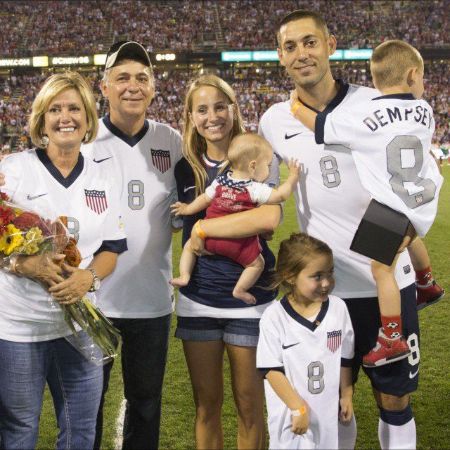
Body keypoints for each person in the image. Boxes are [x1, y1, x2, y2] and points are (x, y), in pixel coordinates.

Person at [257, 10, 420, 449]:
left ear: (330, 45)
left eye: (310, 42)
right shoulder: (273, 121)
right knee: (329, 401)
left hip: (386, 285)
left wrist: (398, 240)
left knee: (394, 398)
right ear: (280, 56)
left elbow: (412, 184)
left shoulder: (375, 104)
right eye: (290, 46)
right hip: (325, 293)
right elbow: (270, 195)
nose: (301, 53)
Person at [289, 39, 444, 367]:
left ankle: (391, 337)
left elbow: (322, 126)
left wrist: (295, 107)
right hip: (420, 198)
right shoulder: (425, 111)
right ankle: (426, 282)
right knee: (408, 238)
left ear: (374, 81)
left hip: (392, 204)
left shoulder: (368, 113)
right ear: (413, 74)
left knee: (380, 268)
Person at [0, 72, 126, 449]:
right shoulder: (14, 168)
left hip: (79, 325)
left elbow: (112, 248)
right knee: (19, 430)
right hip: (19, 326)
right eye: (54, 109)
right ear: (41, 119)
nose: (65, 117)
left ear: (88, 119)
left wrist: (87, 278)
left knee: (80, 431)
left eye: (74, 108)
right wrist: (26, 265)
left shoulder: (105, 175)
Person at [82, 41, 182, 450]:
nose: (132, 86)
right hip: (91, 302)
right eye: (121, 77)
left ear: (154, 88)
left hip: (152, 300)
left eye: (142, 78)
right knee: (87, 404)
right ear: (103, 87)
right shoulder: (84, 139)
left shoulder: (171, 140)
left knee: (145, 404)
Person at [174, 74, 281, 449]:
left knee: (250, 404)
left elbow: (268, 219)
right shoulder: (184, 166)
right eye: (202, 109)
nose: (212, 116)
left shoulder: (257, 155)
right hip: (198, 298)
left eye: (220, 106)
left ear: (233, 109)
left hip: (251, 300)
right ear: (190, 116)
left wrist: (203, 228)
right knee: (206, 405)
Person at [171, 133, 299, 304]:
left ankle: (185, 276)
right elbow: (281, 195)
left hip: (209, 239)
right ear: (253, 166)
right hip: (239, 245)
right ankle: (240, 289)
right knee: (256, 265)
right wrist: (293, 177)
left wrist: (187, 209)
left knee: (188, 246)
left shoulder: (220, 182)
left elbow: (204, 199)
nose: (269, 170)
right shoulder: (254, 188)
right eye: (267, 165)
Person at [257, 233, 354, 449]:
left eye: (330, 273)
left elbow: (345, 358)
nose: (326, 282)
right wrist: (297, 407)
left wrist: (346, 394)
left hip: (330, 415)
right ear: (290, 276)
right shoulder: (274, 317)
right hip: (292, 418)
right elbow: (271, 370)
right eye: (317, 276)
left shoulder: (338, 308)